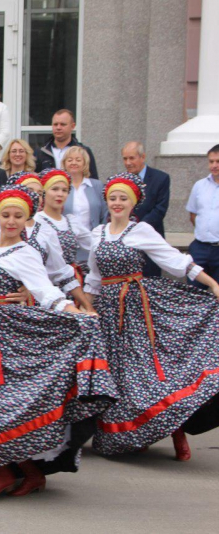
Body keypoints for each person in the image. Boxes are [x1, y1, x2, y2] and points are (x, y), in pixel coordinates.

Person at [0, 184, 115, 496]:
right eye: (6, 214)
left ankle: (3, 474)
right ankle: (29, 472)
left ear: (26, 220)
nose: (11, 220)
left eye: (17, 216)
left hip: (7, 338)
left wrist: (74, 310)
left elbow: (46, 290)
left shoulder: (25, 253)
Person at [85, 173, 219, 462]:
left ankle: (177, 431)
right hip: (107, 313)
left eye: (124, 198)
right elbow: (94, 279)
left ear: (133, 203)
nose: (118, 203)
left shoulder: (141, 230)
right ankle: (133, 434)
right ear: (106, 201)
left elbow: (176, 261)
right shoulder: (98, 233)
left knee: (146, 374)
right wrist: (86, 310)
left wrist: (212, 284)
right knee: (117, 377)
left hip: (136, 311)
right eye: (113, 198)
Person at [0, 171, 95, 312]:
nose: (35, 197)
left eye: (39, 193)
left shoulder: (46, 231)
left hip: (40, 304)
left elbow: (61, 273)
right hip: (5, 304)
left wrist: (87, 307)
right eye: (29, 191)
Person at [36, 168, 93, 287]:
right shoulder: (37, 221)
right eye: (55, 189)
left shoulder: (71, 221)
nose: (60, 194)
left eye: (64, 190)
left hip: (72, 282)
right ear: (44, 192)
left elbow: (94, 244)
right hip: (47, 283)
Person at [122, 141, 170, 277]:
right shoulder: (120, 180)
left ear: (142, 157)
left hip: (150, 239)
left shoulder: (161, 178)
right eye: (125, 158)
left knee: (151, 283)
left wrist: (139, 228)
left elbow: (160, 209)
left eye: (132, 158)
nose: (128, 162)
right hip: (126, 243)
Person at [62, 146, 108, 262]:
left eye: (78, 160)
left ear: (85, 163)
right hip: (67, 247)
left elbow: (104, 214)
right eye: (70, 160)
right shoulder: (61, 187)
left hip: (92, 245)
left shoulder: (96, 185)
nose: (74, 163)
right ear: (64, 163)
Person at [186, 144, 219, 288]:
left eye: (218, 161)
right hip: (200, 248)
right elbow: (193, 215)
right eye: (211, 161)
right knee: (195, 294)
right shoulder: (199, 186)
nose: (214, 165)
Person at [34, 109, 98, 179]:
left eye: (63, 124)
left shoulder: (84, 151)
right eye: (55, 124)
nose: (58, 127)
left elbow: (93, 180)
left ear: (73, 126)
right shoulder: (40, 152)